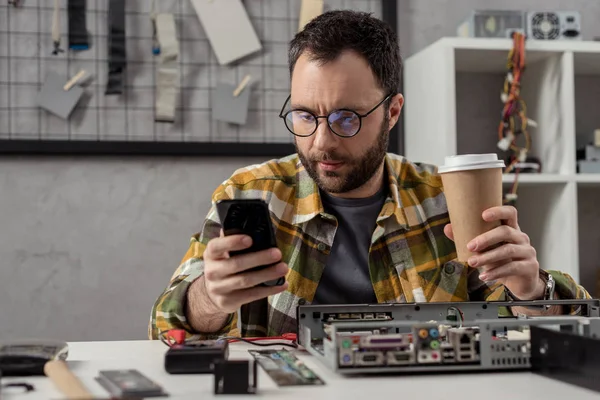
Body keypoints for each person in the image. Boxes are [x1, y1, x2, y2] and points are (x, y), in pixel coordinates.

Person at [149, 10, 590, 340]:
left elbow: (555, 325)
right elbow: (165, 325)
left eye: (346, 118)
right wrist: (210, 297)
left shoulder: (444, 197)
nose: (321, 142)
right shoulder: (252, 192)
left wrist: (531, 289)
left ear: (392, 111)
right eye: (305, 116)